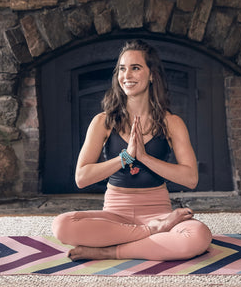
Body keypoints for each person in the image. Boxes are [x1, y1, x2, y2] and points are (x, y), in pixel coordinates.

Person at [52, 39, 213, 261]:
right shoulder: (103, 122)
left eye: (135, 68)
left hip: (159, 212)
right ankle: (151, 234)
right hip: (115, 215)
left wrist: (145, 158)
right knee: (62, 225)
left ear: (152, 75)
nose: (126, 75)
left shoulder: (171, 122)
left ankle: (109, 251)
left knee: (199, 236)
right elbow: (81, 178)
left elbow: (191, 178)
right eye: (122, 69)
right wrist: (126, 157)